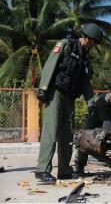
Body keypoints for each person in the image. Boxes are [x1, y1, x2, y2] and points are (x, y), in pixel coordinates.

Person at [35, 23, 103, 184]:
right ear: (87, 37)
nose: (94, 46)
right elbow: (50, 64)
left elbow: (86, 83)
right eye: (94, 42)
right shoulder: (66, 45)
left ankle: (64, 170)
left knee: (67, 136)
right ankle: (42, 170)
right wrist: (43, 88)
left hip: (70, 98)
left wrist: (91, 103)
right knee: (51, 132)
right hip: (55, 94)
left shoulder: (85, 59)